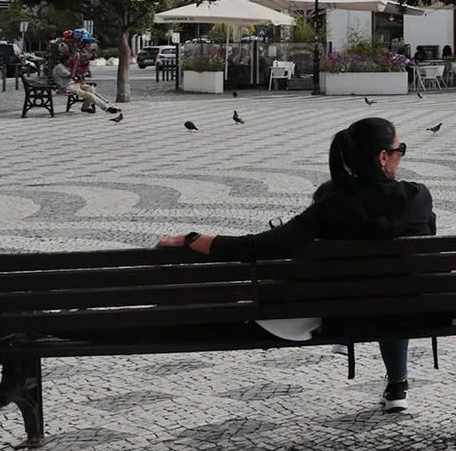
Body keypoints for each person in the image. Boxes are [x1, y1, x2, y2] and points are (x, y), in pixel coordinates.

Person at [156, 117, 433, 412]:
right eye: (399, 149)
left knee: (377, 293)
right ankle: (398, 383)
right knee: (393, 289)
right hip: (412, 312)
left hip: (344, 318)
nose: (400, 156)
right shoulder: (418, 197)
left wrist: (191, 239)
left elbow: (255, 246)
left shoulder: (330, 206)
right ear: (382, 157)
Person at [50, 57, 116, 114]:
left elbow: (74, 76)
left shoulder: (65, 66)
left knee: (91, 89)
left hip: (73, 84)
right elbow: (71, 75)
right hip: (66, 86)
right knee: (89, 95)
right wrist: (74, 65)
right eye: (69, 60)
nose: (70, 62)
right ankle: (106, 108)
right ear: (65, 61)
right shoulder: (60, 67)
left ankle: (85, 107)